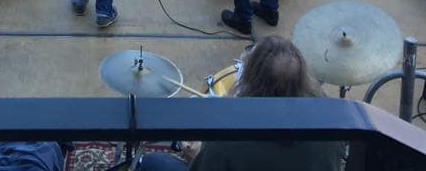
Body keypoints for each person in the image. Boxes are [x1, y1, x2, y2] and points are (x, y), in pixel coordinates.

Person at [137, 36, 345, 171]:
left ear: (252, 81)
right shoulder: (329, 123)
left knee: (153, 162)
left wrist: (196, 156)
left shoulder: (230, 141)